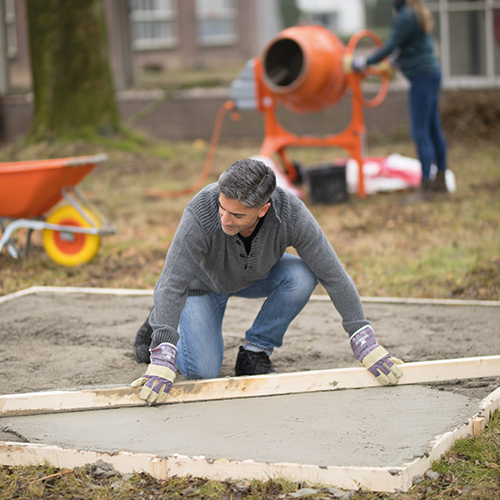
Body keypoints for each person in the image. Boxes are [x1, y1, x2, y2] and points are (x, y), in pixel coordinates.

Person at [131, 158, 402, 404]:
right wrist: (164, 351)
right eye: (222, 207)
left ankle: (254, 352)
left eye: (237, 215)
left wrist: (362, 338)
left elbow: (332, 273)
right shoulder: (200, 211)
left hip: (253, 276)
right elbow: (171, 283)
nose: (224, 219)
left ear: (263, 210)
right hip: (200, 287)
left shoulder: (291, 214)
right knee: (203, 371)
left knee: (302, 275)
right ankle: (159, 319)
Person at [352, 0, 448, 202]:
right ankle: (440, 180)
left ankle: (426, 187)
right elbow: (412, 45)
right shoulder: (416, 11)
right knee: (433, 129)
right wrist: (398, 62)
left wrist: (364, 62)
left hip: (422, 76)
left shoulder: (406, 15)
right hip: (431, 72)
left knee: (420, 131)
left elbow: (391, 45)